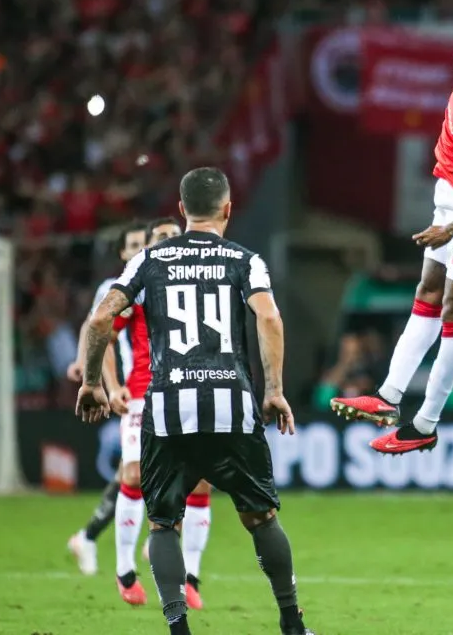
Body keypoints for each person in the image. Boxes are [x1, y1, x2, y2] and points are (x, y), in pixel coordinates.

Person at [76, 167, 315, 635]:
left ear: (183, 211)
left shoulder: (149, 259)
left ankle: (178, 628)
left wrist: (91, 383)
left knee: (164, 524)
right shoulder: (245, 260)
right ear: (228, 209)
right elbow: (268, 318)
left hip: (167, 406)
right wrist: (274, 391)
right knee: (262, 517)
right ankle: (291, 622)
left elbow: (101, 318)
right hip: (232, 402)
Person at [330, 29, 453, 455]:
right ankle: (388, 398)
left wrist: (452, 229)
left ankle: (425, 423)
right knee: (427, 293)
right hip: (452, 197)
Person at [102, 216, 186, 607]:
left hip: (188, 395)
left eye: (174, 236)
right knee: (134, 474)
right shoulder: (140, 283)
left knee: (186, 481)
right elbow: (102, 331)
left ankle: (166, 546)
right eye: (161, 238)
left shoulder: (198, 280)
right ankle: (123, 569)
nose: (167, 242)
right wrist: (112, 385)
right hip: (142, 393)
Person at [66, 220, 146, 576]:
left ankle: (87, 536)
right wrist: (85, 365)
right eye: (133, 245)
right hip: (131, 389)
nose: (140, 250)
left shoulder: (161, 281)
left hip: (164, 388)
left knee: (134, 473)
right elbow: (93, 325)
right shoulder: (116, 288)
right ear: (122, 253)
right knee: (136, 472)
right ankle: (155, 541)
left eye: (145, 243)